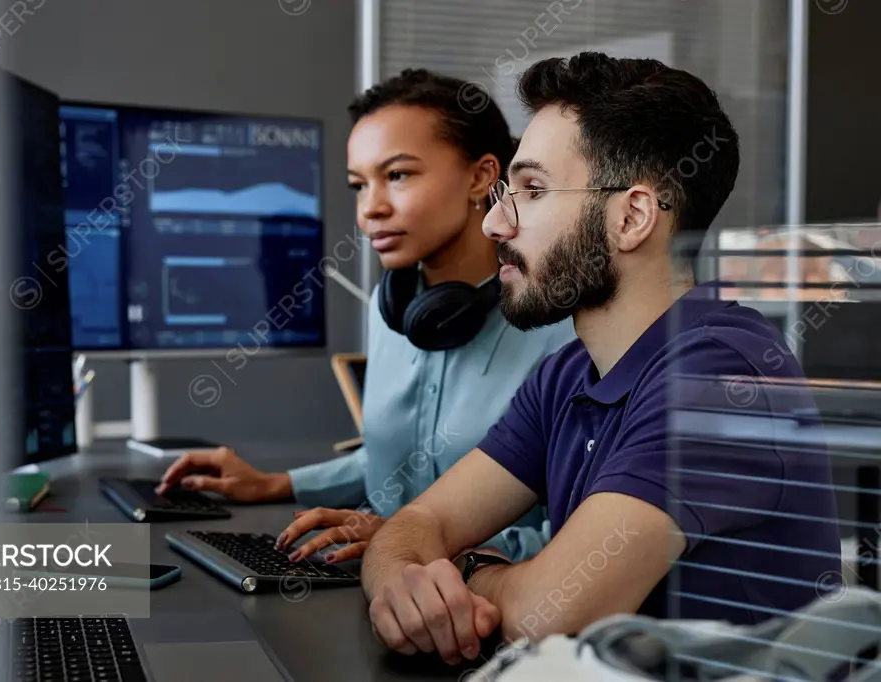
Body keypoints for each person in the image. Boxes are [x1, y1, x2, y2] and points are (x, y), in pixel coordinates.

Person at [360, 52, 841, 668]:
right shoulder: (566, 375)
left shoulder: (724, 375)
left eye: (531, 190)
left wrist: (464, 571)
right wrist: (402, 577)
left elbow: (548, 614)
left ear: (632, 217)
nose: (496, 224)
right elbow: (418, 518)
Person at [157, 69, 576, 564]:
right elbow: (392, 462)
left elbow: (575, 544)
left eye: (397, 175)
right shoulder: (393, 312)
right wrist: (277, 484)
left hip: (483, 612)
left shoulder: (558, 330)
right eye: (359, 185)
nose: (369, 210)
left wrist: (410, 544)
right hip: (369, 583)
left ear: (482, 176)